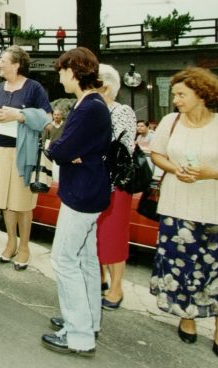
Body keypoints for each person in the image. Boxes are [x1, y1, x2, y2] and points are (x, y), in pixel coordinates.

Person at [148, 67, 218, 360]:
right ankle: (187, 317)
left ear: (201, 94)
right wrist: (175, 169)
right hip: (177, 208)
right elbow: (157, 154)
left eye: (182, 94)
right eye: (175, 94)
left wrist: (213, 173)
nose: (176, 99)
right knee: (181, 268)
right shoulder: (170, 122)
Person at [42, 47, 111, 357]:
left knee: (64, 260)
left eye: (61, 71)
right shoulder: (93, 103)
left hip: (81, 194)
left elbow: (60, 148)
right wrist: (70, 152)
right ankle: (87, 319)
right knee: (85, 259)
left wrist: (61, 149)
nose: (59, 76)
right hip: (89, 190)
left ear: (73, 72)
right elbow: (70, 149)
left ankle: (78, 334)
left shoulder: (87, 108)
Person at [0, 45, 51, 270]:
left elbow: (46, 119)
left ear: (16, 64)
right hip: (0, 149)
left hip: (24, 151)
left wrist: (19, 115)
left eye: (3, 60)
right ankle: (10, 242)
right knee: (4, 200)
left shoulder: (34, 88)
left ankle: (24, 246)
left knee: (22, 202)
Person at [95, 64, 137, 310]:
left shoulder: (122, 111)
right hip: (95, 182)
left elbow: (118, 146)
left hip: (115, 183)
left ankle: (116, 287)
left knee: (113, 235)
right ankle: (100, 278)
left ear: (107, 86)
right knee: (96, 234)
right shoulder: (94, 108)